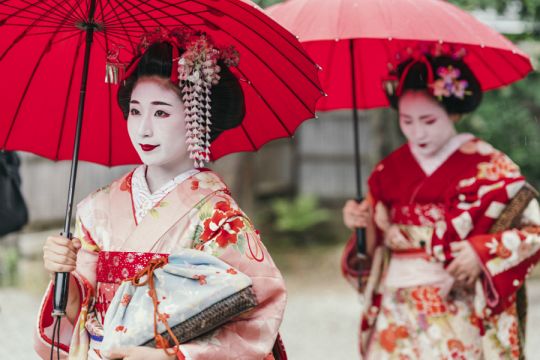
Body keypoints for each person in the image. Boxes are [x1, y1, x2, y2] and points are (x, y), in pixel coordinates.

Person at [34, 29, 286, 360]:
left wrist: (172, 355)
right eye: (136, 111)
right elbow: (83, 311)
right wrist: (65, 282)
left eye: (161, 112)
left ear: (197, 118)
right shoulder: (97, 209)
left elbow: (255, 313)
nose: (143, 129)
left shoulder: (219, 218)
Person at [341, 53, 540, 359]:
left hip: (458, 303)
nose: (417, 132)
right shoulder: (388, 171)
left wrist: (482, 251)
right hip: (397, 303)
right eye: (406, 121)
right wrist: (361, 221)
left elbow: (534, 230)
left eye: (429, 120)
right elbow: (372, 248)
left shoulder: (490, 166)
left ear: (454, 113)